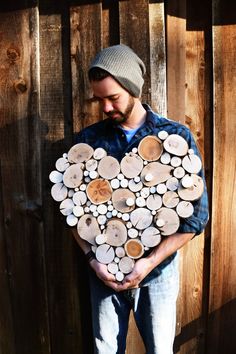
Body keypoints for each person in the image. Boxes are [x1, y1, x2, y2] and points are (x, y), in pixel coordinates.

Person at [71, 44, 209, 354]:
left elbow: (196, 217)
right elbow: (72, 213)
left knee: (160, 350)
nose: (105, 108)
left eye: (113, 98)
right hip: (103, 273)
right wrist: (94, 262)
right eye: (99, 99)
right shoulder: (88, 141)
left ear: (134, 89)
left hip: (158, 273)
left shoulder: (176, 137)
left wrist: (148, 263)